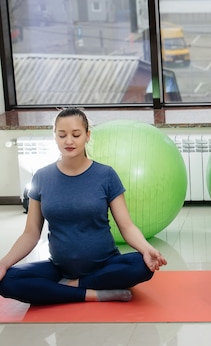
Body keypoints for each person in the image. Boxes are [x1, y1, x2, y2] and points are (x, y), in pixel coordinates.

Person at [0, 108, 166, 305]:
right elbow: (31, 233)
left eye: (76, 134)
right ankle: (90, 293)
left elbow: (127, 226)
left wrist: (147, 250)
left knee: (141, 266)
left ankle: (69, 287)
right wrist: (4, 263)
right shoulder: (42, 177)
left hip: (106, 265)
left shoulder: (106, 175)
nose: (69, 141)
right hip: (60, 268)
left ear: (87, 136)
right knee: (7, 280)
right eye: (62, 135)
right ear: (55, 137)